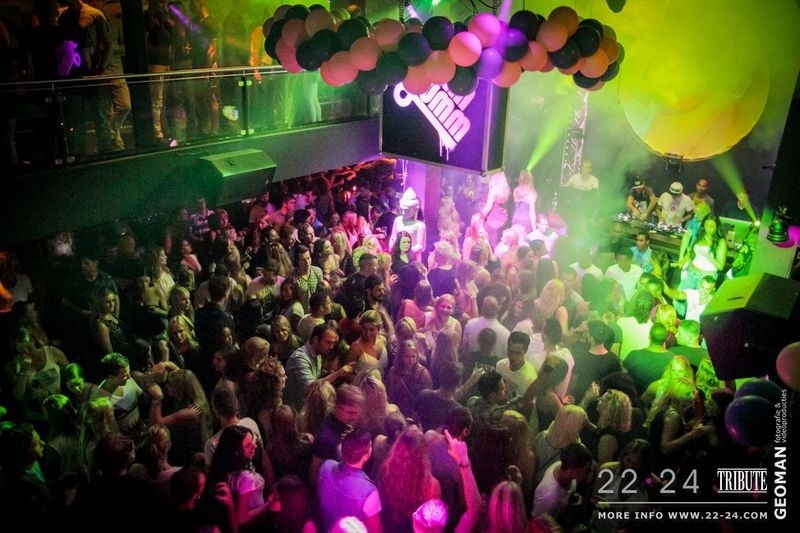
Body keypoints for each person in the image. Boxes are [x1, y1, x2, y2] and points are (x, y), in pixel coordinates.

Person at [317, 428, 382, 533]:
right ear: (366, 456)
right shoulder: (369, 492)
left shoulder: (326, 466)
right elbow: (375, 530)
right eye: (370, 446)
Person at [284, 322, 356, 411]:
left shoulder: (318, 354)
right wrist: (338, 373)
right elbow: (311, 388)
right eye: (328, 342)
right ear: (316, 339)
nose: (331, 347)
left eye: (333, 343)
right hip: (295, 410)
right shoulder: (300, 358)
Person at [389, 187, 426, 263]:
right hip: (396, 256)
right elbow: (393, 237)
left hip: (412, 259)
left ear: (415, 209)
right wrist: (392, 250)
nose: (403, 212)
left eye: (406, 210)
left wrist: (407, 253)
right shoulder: (397, 220)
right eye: (402, 209)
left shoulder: (420, 225)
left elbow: (421, 246)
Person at [481, 171, 511, 248]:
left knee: (491, 244)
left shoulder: (493, 191)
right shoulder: (506, 190)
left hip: (493, 222)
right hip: (503, 220)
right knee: (500, 242)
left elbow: (488, 207)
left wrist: (481, 216)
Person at [511, 168, 538, 234]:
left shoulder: (516, 190)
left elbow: (516, 206)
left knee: (515, 238)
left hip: (516, 218)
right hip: (526, 221)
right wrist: (534, 229)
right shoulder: (532, 193)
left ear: (520, 178)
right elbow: (532, 213)